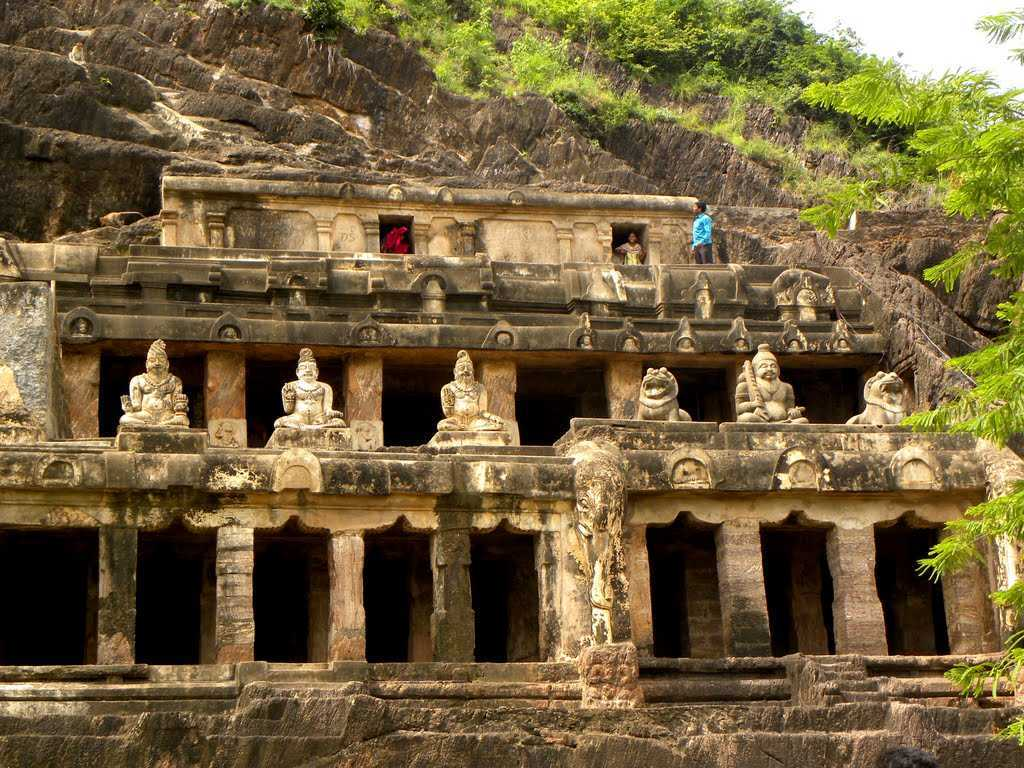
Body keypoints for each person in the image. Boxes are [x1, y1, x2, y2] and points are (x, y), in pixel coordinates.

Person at [691, 200, 713, 264]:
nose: (693, 208)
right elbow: (695, 234)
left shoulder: (706, 218)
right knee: (699, 266)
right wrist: (693, 246)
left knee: (706, 265)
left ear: (699, 209)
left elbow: (708, 232)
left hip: (704, 245)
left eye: (695, 207)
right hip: (697, 246)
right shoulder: (696, 219)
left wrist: (701, 242)